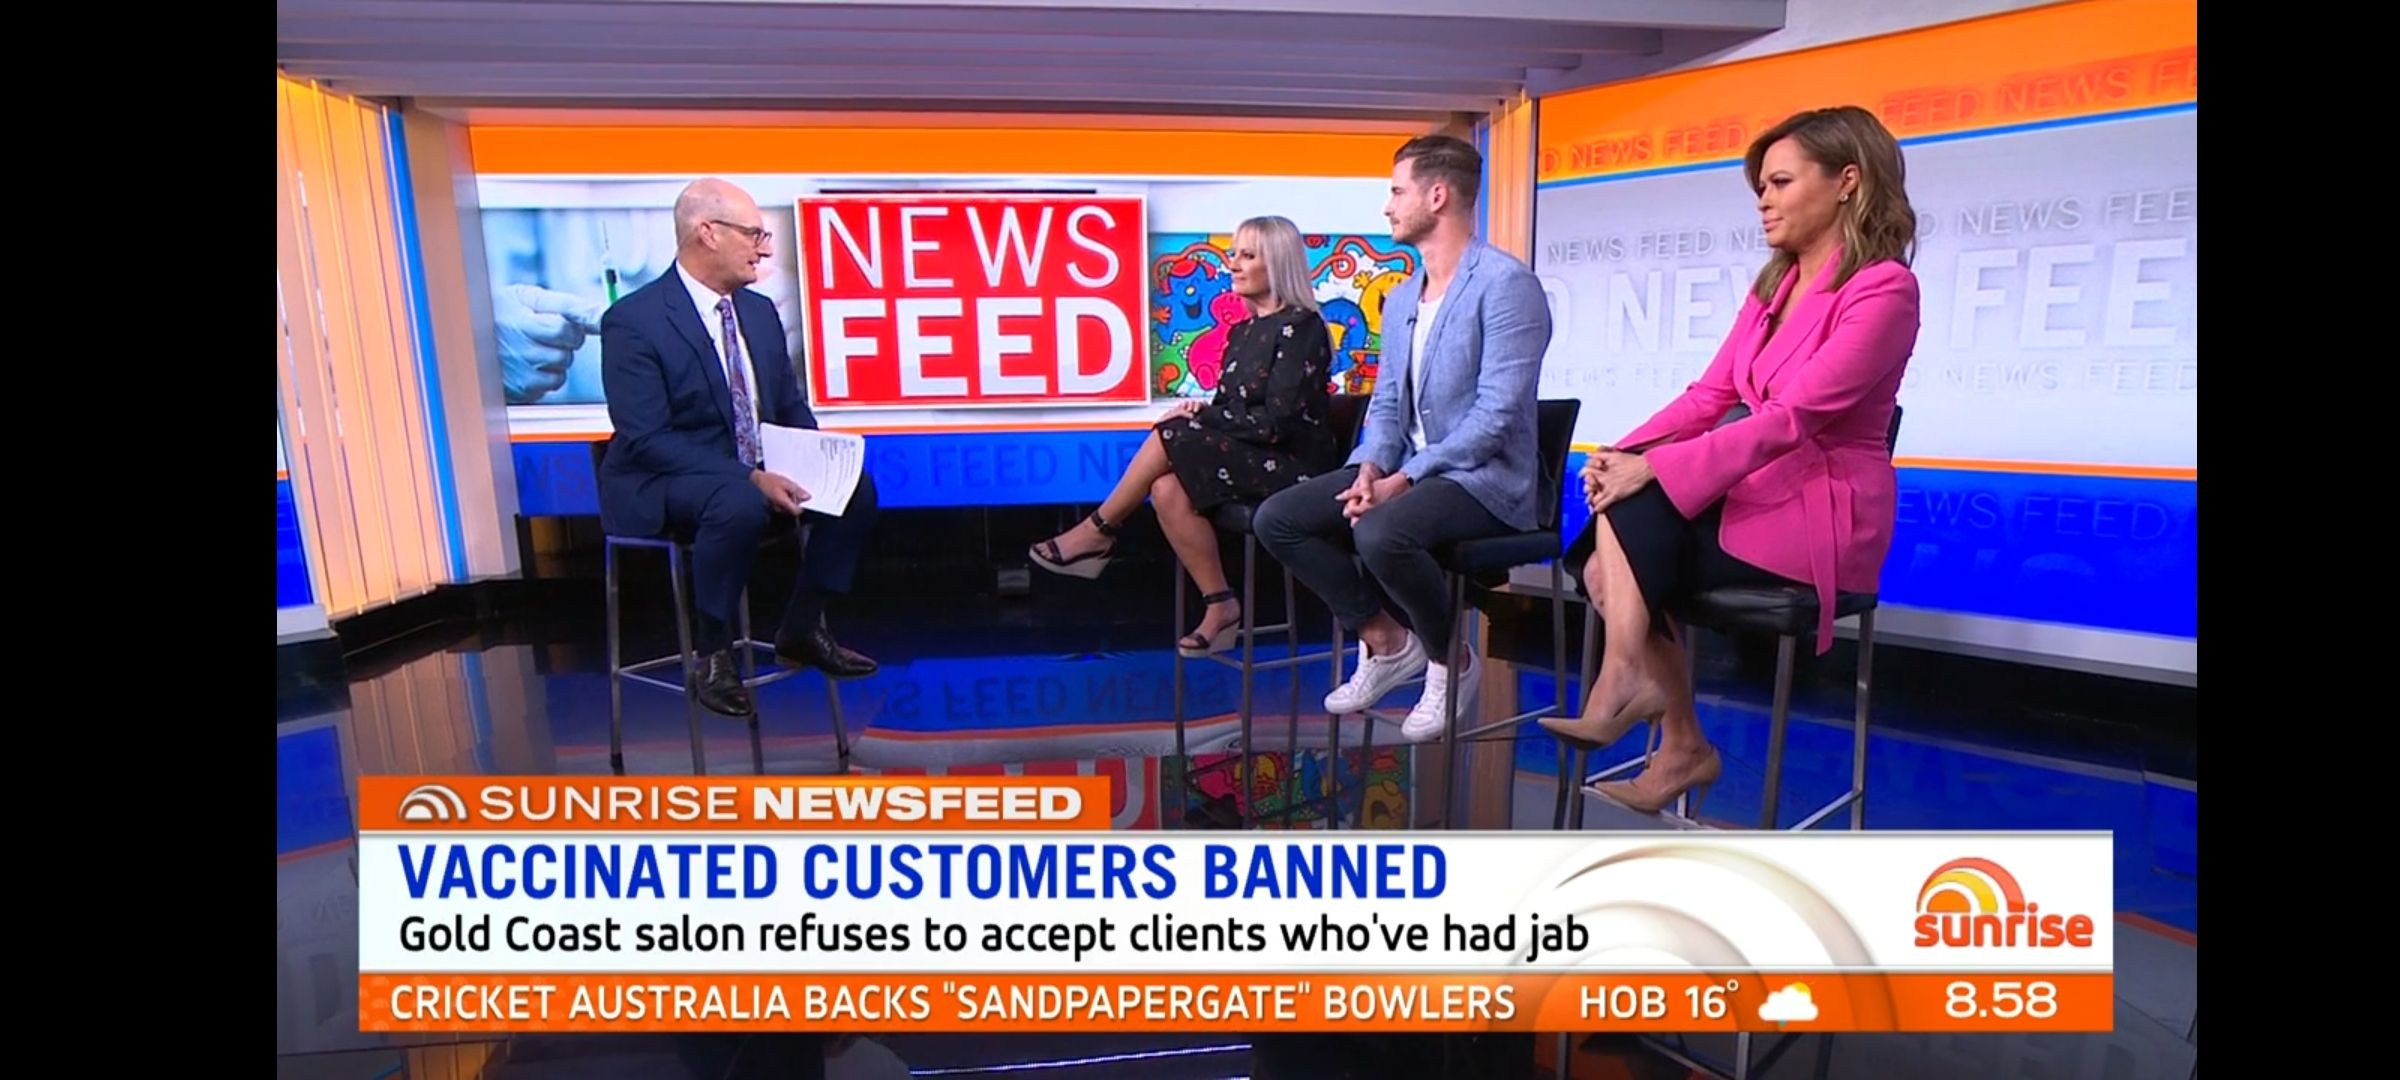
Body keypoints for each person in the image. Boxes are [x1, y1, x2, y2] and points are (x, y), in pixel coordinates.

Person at [1538, 106, 1923, 813]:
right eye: (1760, 187)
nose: (1763, 200)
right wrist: (1625, 451)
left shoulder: (1884, 289)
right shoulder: (1775, 285)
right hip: (1759, 493)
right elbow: (1711, 395)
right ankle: (1679, 740)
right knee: (1602, 550)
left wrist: (1656, 469)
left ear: (1847, 180)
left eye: (1780, 182)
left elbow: (1793, 416)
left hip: (1823, 514)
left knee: (1635, 519)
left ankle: (1629, 681)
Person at [1253, 134, 1552, 742]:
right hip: (1406, 470)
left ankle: (1449, 660)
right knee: (1279, 519)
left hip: (1486, 480)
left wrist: (1406, 479)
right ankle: (1386, 640)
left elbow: (1495, 416)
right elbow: (1387, 404)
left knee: (1381, 530)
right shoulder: (1401, 298)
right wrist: (1369, 469)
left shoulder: (1505, 284)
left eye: (1396, 191)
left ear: (1437, 196)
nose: (1387, 207)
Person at [598, 178, 881, 719]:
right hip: (663, 480)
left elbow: (788, 404)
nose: (764, 249)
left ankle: (802, 626)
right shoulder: (635, 320)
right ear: (708, 233)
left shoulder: (757, 311)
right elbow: (647, 438)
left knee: (855, 491)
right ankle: (714, 657)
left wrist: (824, 459)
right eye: (754, 234)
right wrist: (749, 477)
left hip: (749, 475)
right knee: (738, 503)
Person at [1029, 216, 1339, 655]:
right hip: (1253, 457)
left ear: (1277, 264)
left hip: (1295, 466)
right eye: (1233, 254)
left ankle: (1099, 529)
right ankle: (1220, 605)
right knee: (1165, 487)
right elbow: (1234, 408)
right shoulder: (1242, 332)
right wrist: (1201, 413)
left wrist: (1203, 421)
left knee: (1172, 433)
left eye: (1247, 256)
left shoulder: (1302, 327)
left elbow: (1276, 423)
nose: (1233, 265)